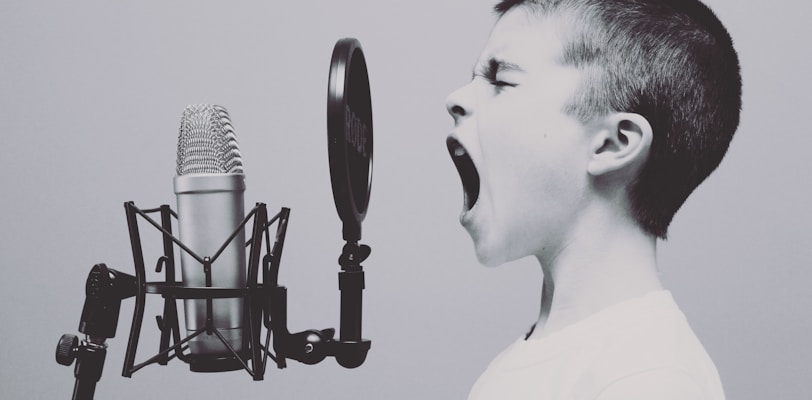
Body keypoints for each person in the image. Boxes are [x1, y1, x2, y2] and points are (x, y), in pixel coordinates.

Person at [444, 0, 741, 399]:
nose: (456, 99)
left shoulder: (648, 377)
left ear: (612, 143)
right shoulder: (532, 360)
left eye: (501, 80)